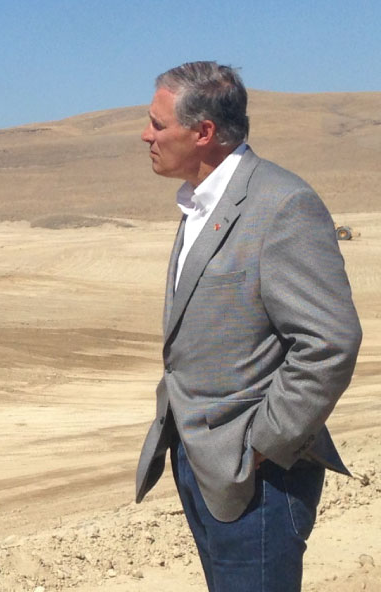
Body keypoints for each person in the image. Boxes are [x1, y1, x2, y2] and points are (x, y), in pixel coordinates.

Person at [133, 61, 362, 591]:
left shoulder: (280, 205)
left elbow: (330, 342)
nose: (146, 135)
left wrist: (260, 444)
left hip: (260, 478)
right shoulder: (199, 205)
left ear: (204, 132)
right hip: (203, 462)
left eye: (158, 124)